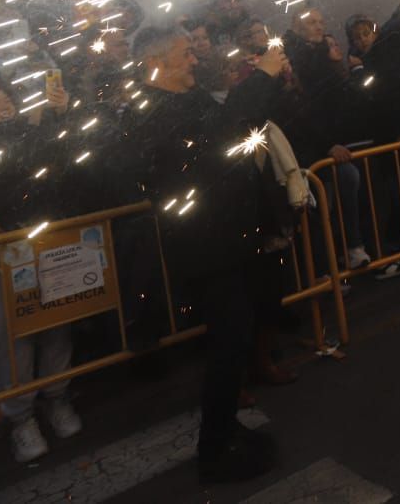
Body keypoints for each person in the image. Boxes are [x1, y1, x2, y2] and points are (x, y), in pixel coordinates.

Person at [124, 27, 289, 483]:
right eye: (183, 54)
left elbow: (238, 134)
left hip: (231, 238)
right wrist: (261, 79)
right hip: (205, 247)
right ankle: (214, 452)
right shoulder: (150, 111)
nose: (194, 61)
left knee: (235, 342)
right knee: (227, 345)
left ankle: (226, 430)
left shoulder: (189, 99)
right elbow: (219, 140)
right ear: (155, 62)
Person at [0, 77, 87, 463]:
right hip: (1, 258)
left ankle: (58, 398)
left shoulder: (35, 136)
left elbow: (64, 165)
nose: (2, 105)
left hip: (50, 246)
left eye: (5, 97)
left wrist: (58, 115)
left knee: (57, 328)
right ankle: (21, 418)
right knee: (15, 341)